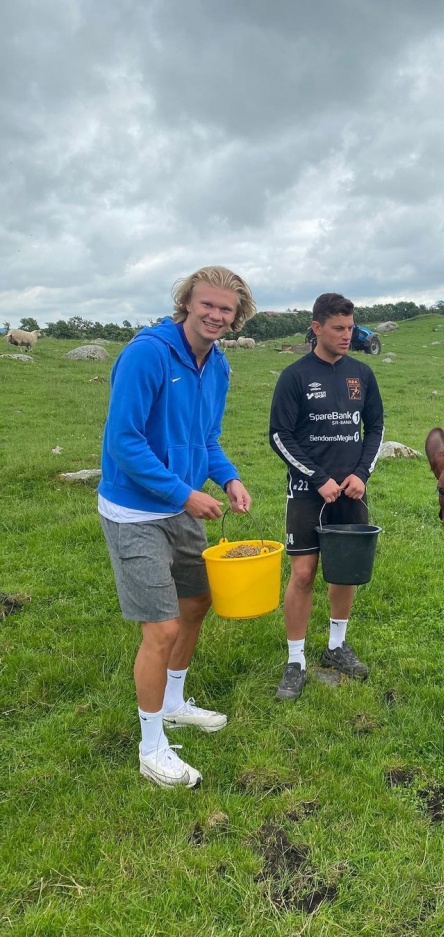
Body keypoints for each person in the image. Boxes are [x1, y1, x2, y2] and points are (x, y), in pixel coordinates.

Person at [98, 266, 255, 788]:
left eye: (225, 309)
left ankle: (172, 702)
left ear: (236, 318)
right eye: (205, 304)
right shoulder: (148, 353)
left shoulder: (220, 368)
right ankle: (151, 748)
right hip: (135, 511)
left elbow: (206, 438)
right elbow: (124, 441)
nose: (214, 315)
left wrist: (227, 478)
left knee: (196, 603)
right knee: (161, 628)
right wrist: (185, 494)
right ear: (185, 303)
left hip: (181, 507)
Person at [269, 292, 385, 701]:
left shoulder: (362, 374)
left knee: (344, 570)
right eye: (338, 328)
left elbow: (375, 429)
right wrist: (317, 478)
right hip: (307, 491)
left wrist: (361, 473)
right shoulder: (295, 376)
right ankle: (295, 659)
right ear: (316, 327)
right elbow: (279, 436)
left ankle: (336, 646)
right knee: (303, 574)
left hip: (351, 491)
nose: (346, 335)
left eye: (350, 328)